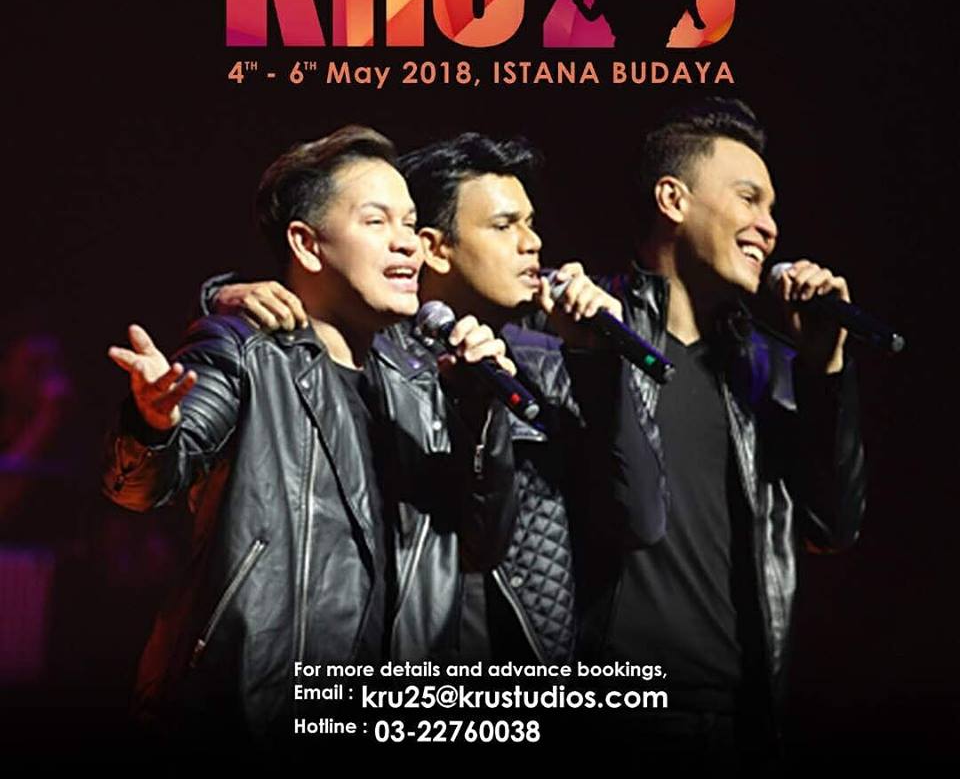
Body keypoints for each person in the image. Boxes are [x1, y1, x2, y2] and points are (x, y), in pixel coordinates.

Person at [103, 126, 517, 743]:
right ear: (306, 243)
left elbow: (482, 545)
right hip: (254, 708)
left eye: (410, 223)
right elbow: (140, 486)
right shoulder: (245, 351)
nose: (407, 241)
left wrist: (483, 414)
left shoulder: (424, 382)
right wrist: (154, 422)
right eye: (377, 221)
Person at [208, 133, 668, 665]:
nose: (532, 242)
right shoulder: (377, 361)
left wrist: (597, 361)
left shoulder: (551, 365)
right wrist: (224, 295)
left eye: (531, 222)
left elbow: (641, 521)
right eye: (504, 225)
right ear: (435, 247)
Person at [588, 97, 866, 763]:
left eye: (772, 209)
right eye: (749, 199)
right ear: (673, 199)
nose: (769, 227)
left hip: (737, 716)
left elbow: (832, 524)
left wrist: (825, 367)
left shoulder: (767, 368)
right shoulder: (581, 332)